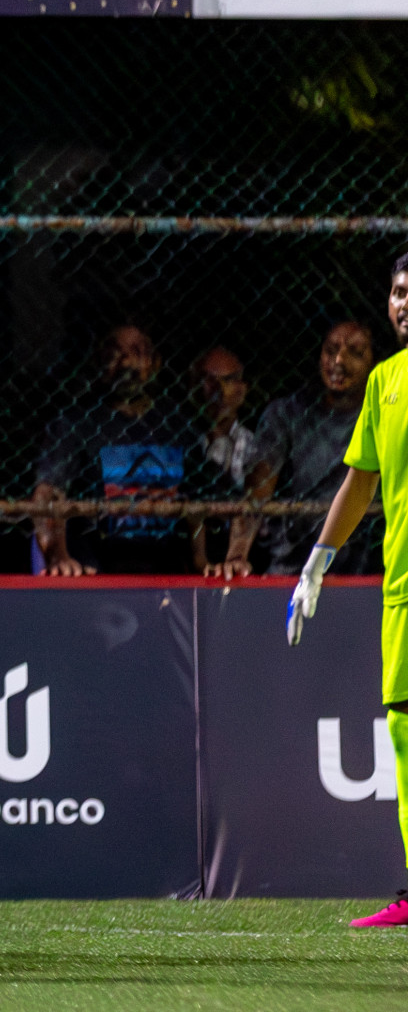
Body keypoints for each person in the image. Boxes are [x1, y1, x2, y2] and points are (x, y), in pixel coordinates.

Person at [286, 251, 408, 929]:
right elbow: (361, 481)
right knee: (404, 734)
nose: (402, 302)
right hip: (403, 593)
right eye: (396, 291)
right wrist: (316, 565)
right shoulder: (386, 382)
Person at [32, 325, 215, 575]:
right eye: (114, 354)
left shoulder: (177, 425)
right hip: (96, 564)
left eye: (137, 352)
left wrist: (200, 560)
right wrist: (58, 555)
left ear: (154, 363)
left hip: (163, 565)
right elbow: (48, 492)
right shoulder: (76, 423)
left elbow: (198, 496)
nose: (126, 362)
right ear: (100, 364)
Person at [215, 322, 377, 579]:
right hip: (294, 566)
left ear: (375, 363)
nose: (338, 360)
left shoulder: (383, 414)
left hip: (362, 568)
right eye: (330, 350)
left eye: (355, 353)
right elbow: (257, 493)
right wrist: (237, 555)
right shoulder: (287, 414)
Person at [188, 345, 254, 572]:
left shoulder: (256, 445)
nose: (217, 390)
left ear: (242, 389)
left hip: (242, 548)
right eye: (208, 380)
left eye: (227, 380)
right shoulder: (184, 442)